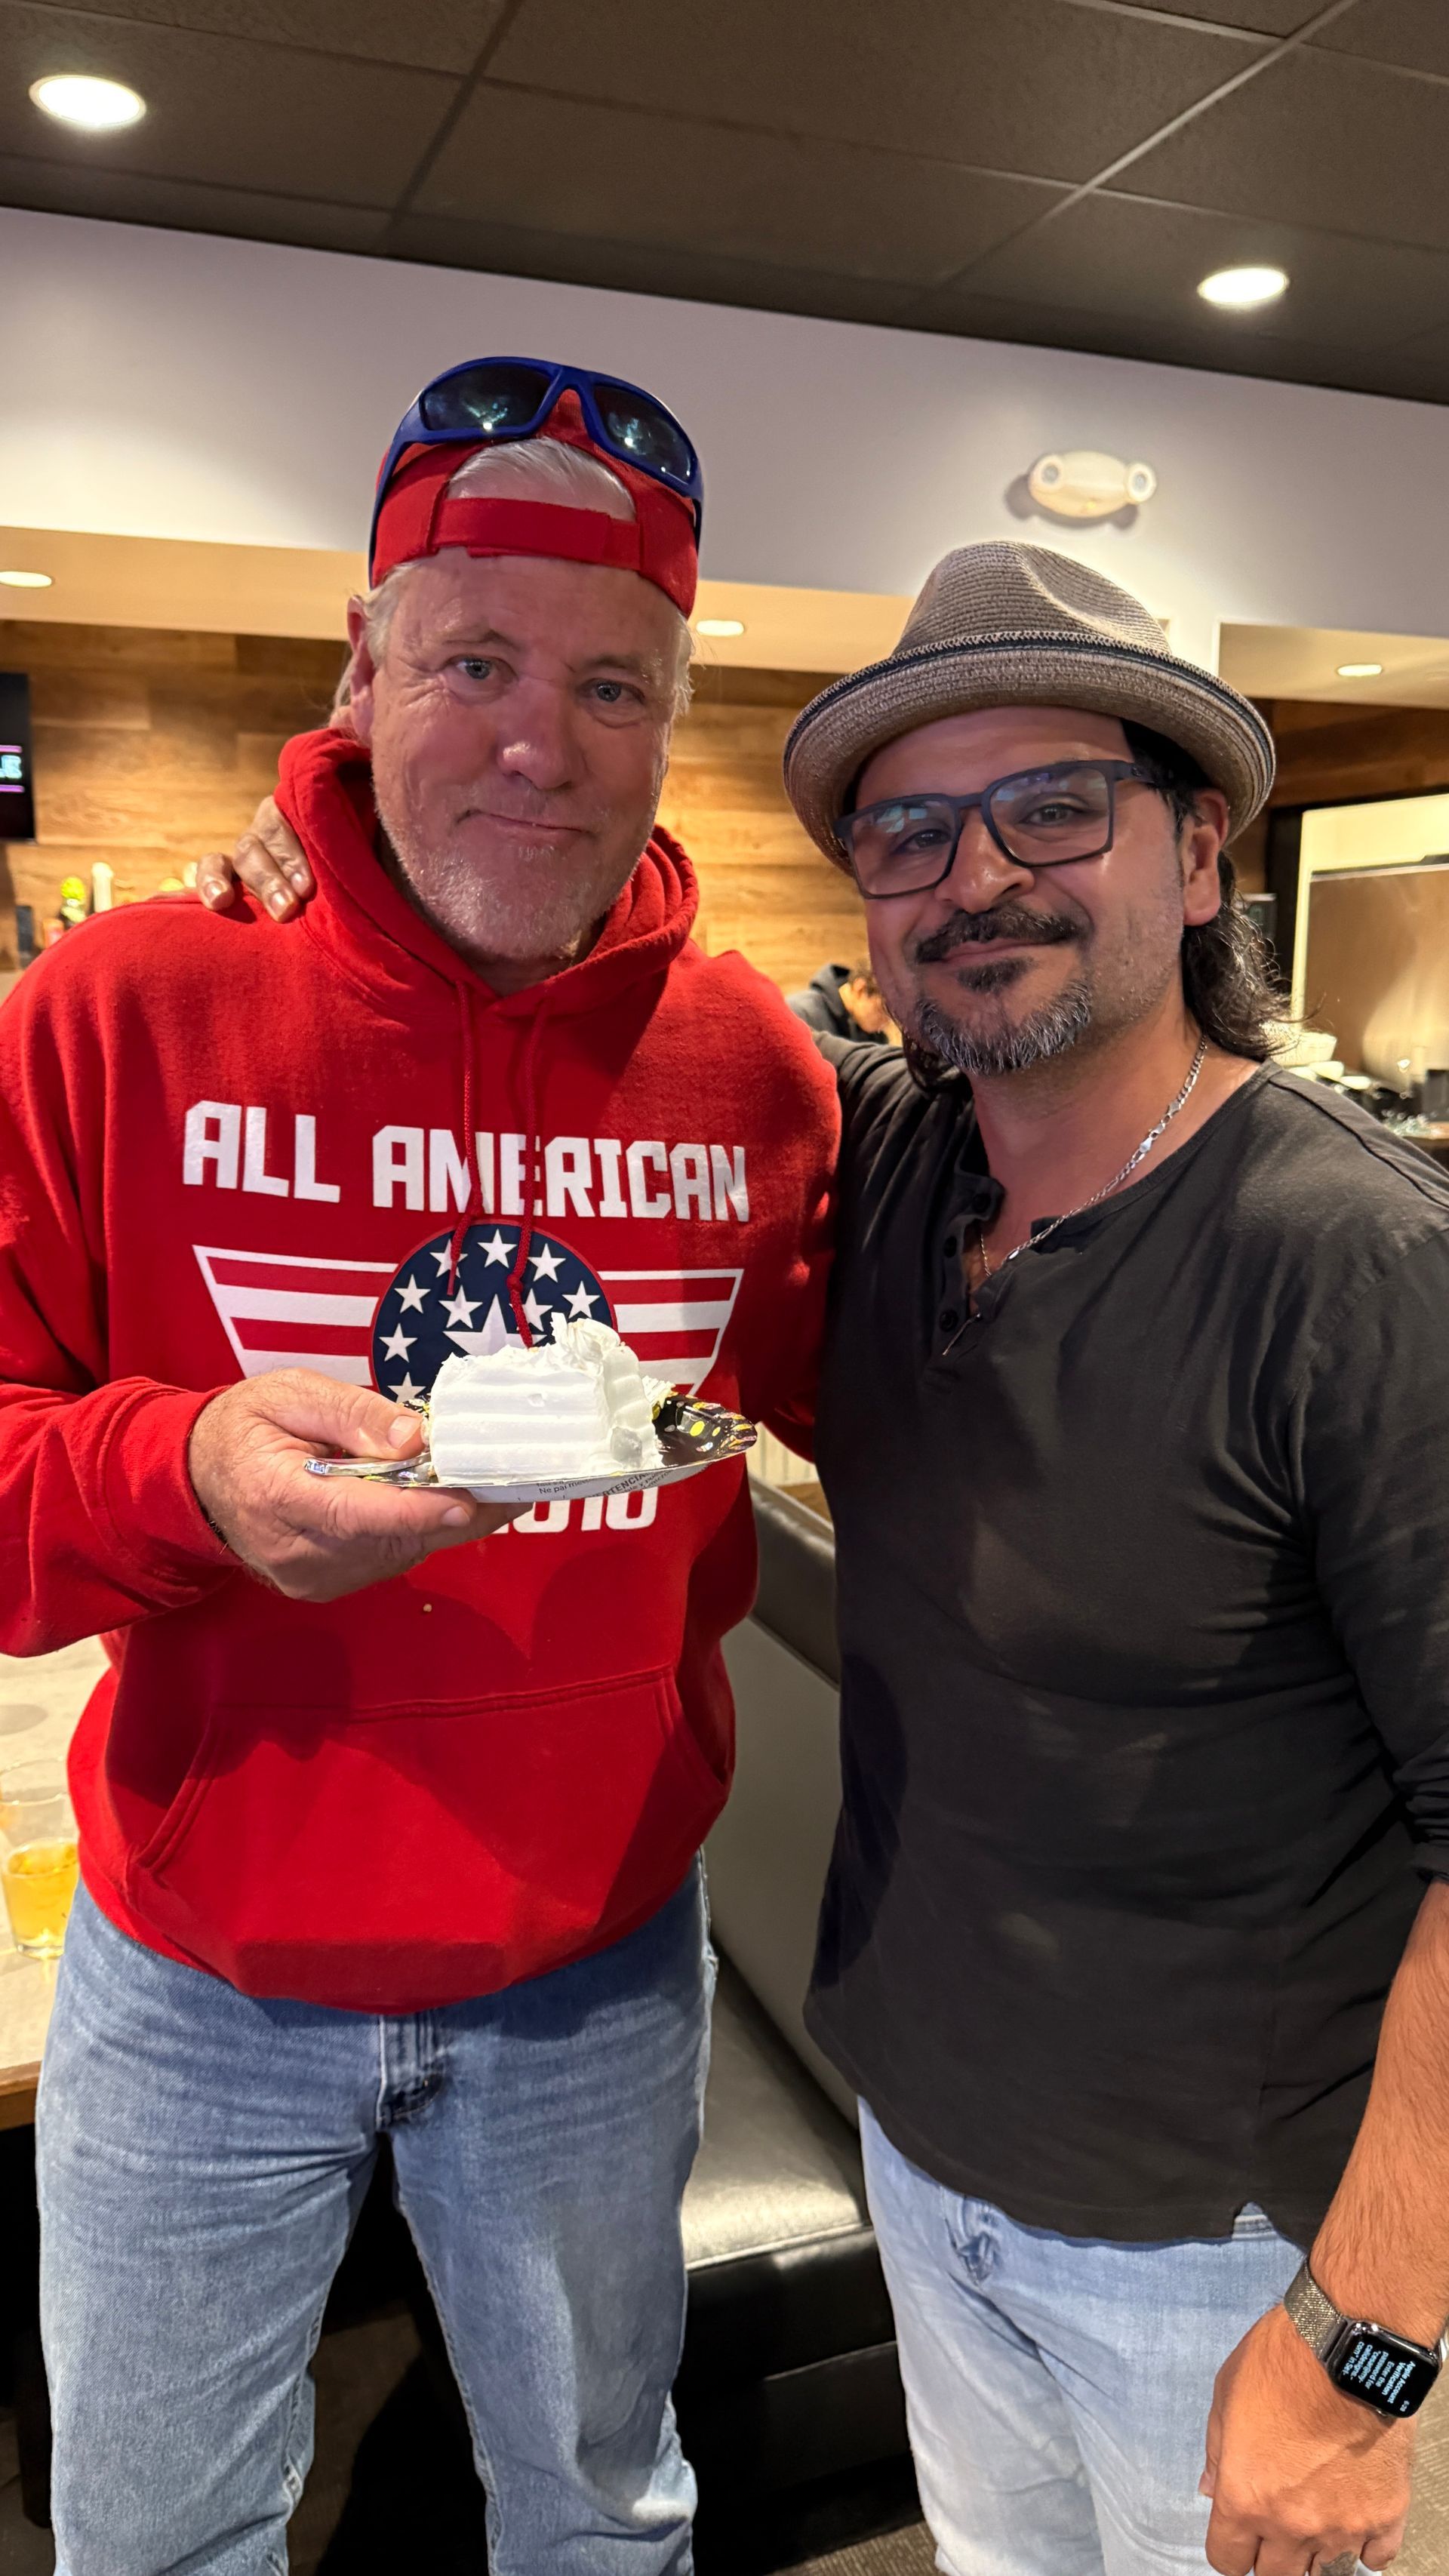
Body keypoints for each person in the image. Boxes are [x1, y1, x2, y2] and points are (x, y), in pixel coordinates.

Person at [205, 542, 1449, 2576]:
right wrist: (332, 858)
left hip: (1215, 2254)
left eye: (1055, 804)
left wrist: (1376, 2345)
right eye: (911, 830)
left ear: (1203, 852)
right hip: (929, 2164)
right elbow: (599, 1003)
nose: (982, 876)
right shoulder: (886, 1165)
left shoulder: (1359, 1266)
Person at [0, 355, 835, 2576]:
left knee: (600, 2518)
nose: (538, 744)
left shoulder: (756, 1069)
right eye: (471, 660)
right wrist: (183, 1477)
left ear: (674, 712)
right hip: (201, 1978)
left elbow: (904, 1408)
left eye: (611, 683)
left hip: (593, 1971)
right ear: (359, 665)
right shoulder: (119, 1009)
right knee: (156, 2541)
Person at [786, 958, 891, 1042]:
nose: (887, 1022)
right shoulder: (799, 1013)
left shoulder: (876, 1038)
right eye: (884, 1010)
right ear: (860, 989)